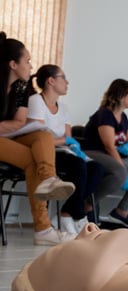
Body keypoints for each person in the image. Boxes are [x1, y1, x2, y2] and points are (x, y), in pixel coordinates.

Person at [0, 32, 76, 245]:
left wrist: (12, 127)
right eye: (27, 61)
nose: (31, 67)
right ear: (13, 64)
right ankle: (43, 229)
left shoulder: (23, 89)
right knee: (32, 160)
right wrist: (12, 126)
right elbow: (16, 123)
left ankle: (49, 179)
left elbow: (19, 122)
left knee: (42, 135)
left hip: (9, 138)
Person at [27, 64, 105, 234]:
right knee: (78, 165)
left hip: (63, 151)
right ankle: (76, 214)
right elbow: (38, 137)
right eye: (64, 78)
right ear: (51, 81)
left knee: (97, 168)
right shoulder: (36, 101)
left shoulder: (64, 108)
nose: (67, 83)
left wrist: (67, 142)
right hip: (44, 152)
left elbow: (67, 137)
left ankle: (66, 213)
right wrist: (64, 140)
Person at [83, 78, 128, 229]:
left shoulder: (124, 117)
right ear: (121, 96)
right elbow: (109, 146)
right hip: (95, 153)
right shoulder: (105, 114)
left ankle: (121, 211)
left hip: (115, 156)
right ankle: (88, 203)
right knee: (119, 173)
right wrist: (124, 171)